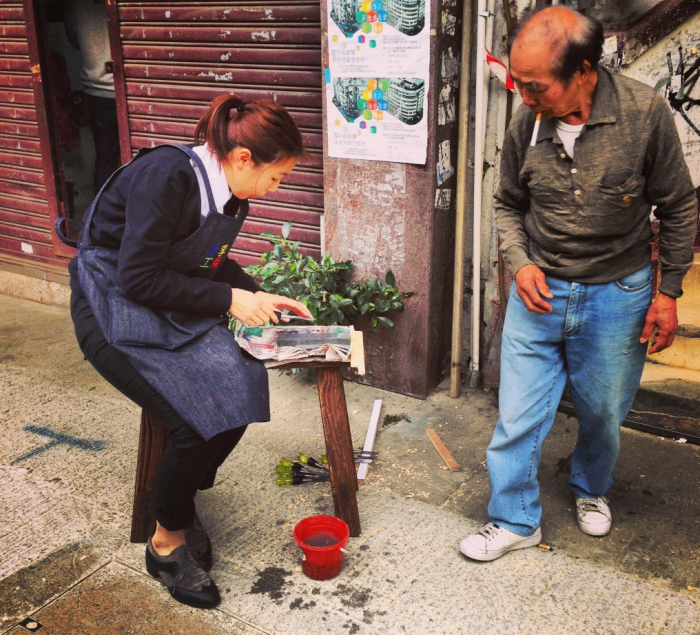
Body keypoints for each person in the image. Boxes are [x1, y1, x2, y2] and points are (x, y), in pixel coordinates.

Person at [460, 7, 697, 562]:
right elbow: (506, 203)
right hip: (537, 294)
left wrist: (669, 293)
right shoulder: (527, 122)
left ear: (584, 71)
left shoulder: (644, 113)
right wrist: (519, 262)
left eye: (535, 85)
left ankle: (591, 488)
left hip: (619, 294)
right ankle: (515, 519)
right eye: (517, 83)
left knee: (602, 415)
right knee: (516, 415)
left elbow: (678, 205)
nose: (523, 97)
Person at [63, 94, 312, 607]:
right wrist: (228, 300)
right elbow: (136, 277)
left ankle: (178, 501)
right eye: (277, 177)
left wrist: (256, 293)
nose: (275, 188)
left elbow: (208, 262)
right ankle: (166, 542)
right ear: (244, 158)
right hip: (109, 301)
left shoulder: (231, 197)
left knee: (239, 388)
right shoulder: (168, 176)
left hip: (160, 295)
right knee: (195, 420)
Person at [65, 0, 121, 193]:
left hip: (96, 92)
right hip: (127, 91)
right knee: (140, 157)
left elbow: (73, 39)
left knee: (105, 160)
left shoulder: (77, 5)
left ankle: (102, 217)